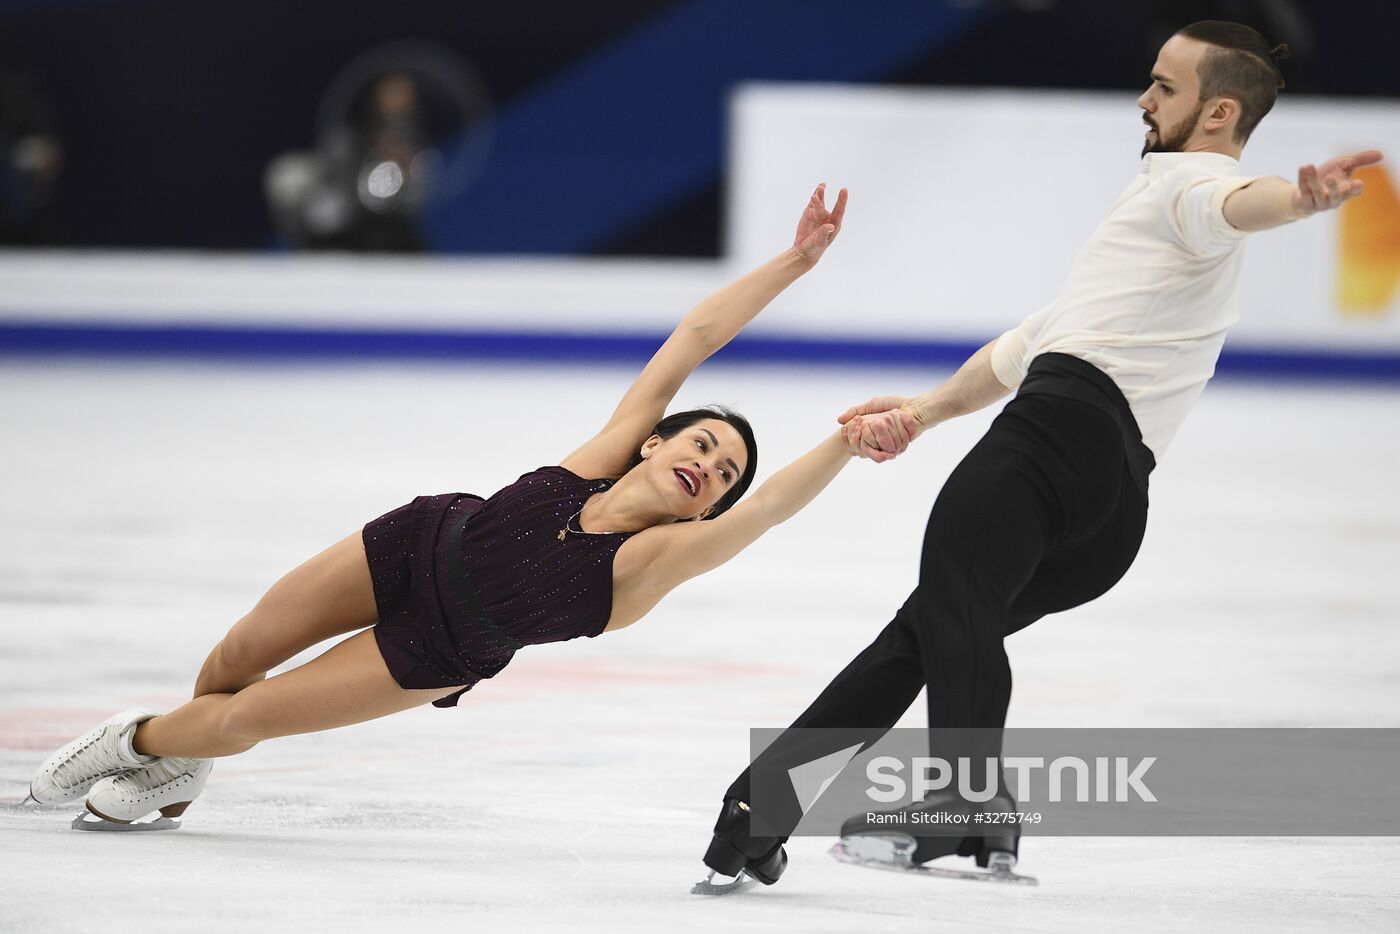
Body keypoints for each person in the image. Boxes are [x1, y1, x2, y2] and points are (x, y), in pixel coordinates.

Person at [700, 19, 1384, 887]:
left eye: (1164, 87)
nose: (1144, 99)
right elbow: (1026, 345)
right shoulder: (1145, 248)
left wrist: (1301, 202)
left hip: (1053, 443)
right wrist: (921, 412)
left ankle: (963, 804)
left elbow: (1238, 203)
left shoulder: (1193, 185)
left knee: (949, 616)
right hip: (1113, 509)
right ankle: (763, 810)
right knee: (932, 632)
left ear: (1218, 113)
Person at [28, 183, 896, 827]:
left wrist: (844, 446)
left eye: (725, 472)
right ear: (653, 443)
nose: (709, 465)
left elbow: (768, 509)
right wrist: (796, 262)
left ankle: (134, 742)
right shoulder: (601, 457)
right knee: (240, 652)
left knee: (249, 714)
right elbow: (695, 338)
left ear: (707, 512)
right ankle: (180, 766)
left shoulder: (649, 564)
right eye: (702, 444)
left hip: (435, 649)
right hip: (415, 542)